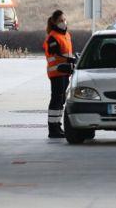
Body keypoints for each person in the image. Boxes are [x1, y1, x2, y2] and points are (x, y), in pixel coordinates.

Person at [43, 10, 76, 138]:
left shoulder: (66, 35)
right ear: (55, 23)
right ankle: (52, 128)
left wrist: (71, 60)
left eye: (64, 20)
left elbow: (66, 52)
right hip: (56, 72)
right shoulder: (52, 37)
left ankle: (57, 125)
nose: (64, 22)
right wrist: (69, 60)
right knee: (56, 99)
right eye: (61, 21)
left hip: (65, 72)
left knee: (61, 100)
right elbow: (56, 54)